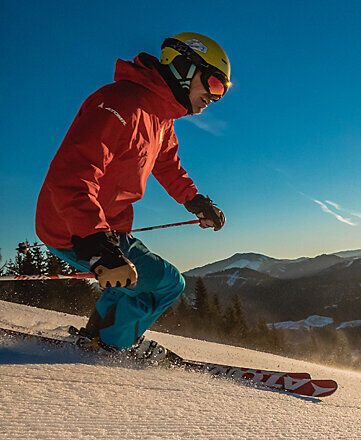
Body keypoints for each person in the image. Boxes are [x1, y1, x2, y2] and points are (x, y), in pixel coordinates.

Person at [35, 32, 231, 350]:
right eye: (214, 84)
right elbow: (72, 177)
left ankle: (98, 335)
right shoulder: (118, 103)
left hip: (107, 227)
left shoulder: (161, 118)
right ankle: (114, 348)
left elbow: (167, 164)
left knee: (127, 278)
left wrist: (195, 201)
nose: (215, 97)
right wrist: (97, 244)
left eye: (222, 91)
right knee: (167, 284)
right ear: (184, 67)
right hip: (75, 226)